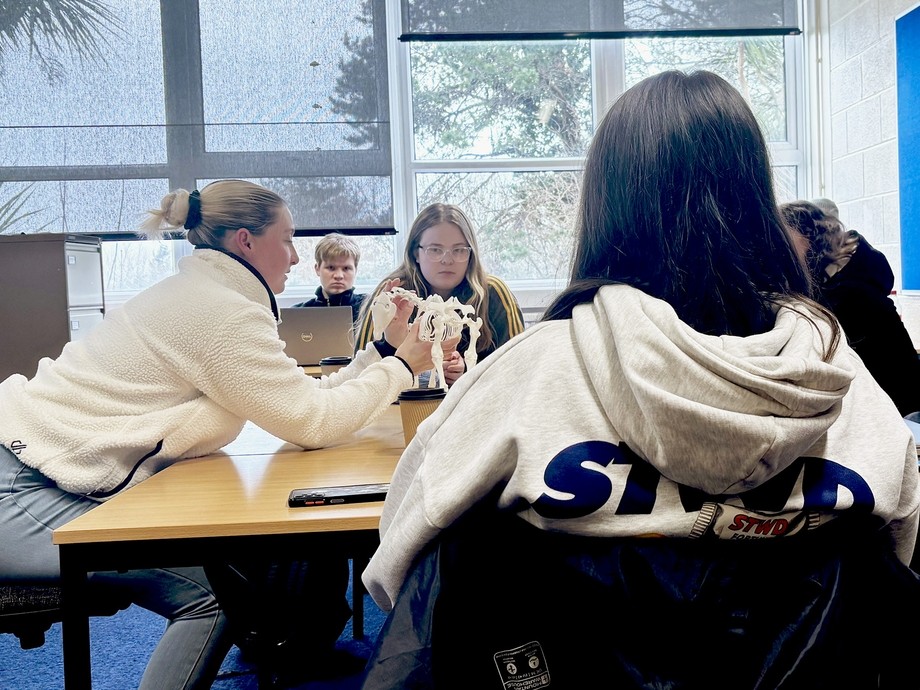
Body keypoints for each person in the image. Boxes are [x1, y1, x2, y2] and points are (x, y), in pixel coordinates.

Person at [361, 72, 920, 685]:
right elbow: (895, 555)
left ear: (606, 205)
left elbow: (402, 569)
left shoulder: (529, 372)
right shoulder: (841, 374)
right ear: (756, 198)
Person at [0, 179, 453, 689]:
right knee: (213, 598)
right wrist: (402, 367)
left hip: (37, 468)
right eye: (286, 239)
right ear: (245, 241)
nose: (297, 256)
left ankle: (295, 650)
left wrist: (387, 352)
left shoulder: (209, 294)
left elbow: (307, 400)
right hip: (19, 487)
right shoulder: (219, 311)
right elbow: (315, 423)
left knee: (234, 567)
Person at [354, 203, 524, 387]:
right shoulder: (393, 294)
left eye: (459, 250)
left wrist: (468, 376)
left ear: (471, 254)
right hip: (403, 409)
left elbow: (519, 367)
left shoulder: (492, 293)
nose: (447, 259)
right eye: (435, 249)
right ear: (415, 253)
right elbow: (360, 373)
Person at [780, 199, 920, 417]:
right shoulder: (839, 287)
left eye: (784, 240)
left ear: (810, 238)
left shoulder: (851, 297)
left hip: (894, 416)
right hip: (887, 411)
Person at [292, 232, 366, 322]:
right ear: (317, 269)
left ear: (355, 271)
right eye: (331, 268)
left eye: (346, 268)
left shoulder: (369, 309)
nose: (338, 276)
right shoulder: (298, 314)